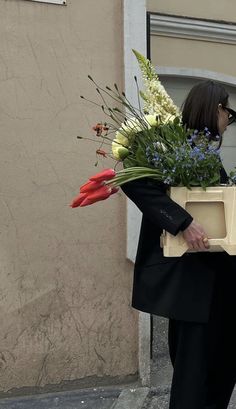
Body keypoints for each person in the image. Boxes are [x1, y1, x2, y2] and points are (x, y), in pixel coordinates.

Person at [121, 80, 236, 409]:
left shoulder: (205, 155)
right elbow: (132, 178)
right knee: (194, 376)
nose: (229, 121)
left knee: (222, 368)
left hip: (222, 288)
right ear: (217, 108)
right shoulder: (172, 147)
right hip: (194, 290)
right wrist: (183, 223)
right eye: (229, 112)